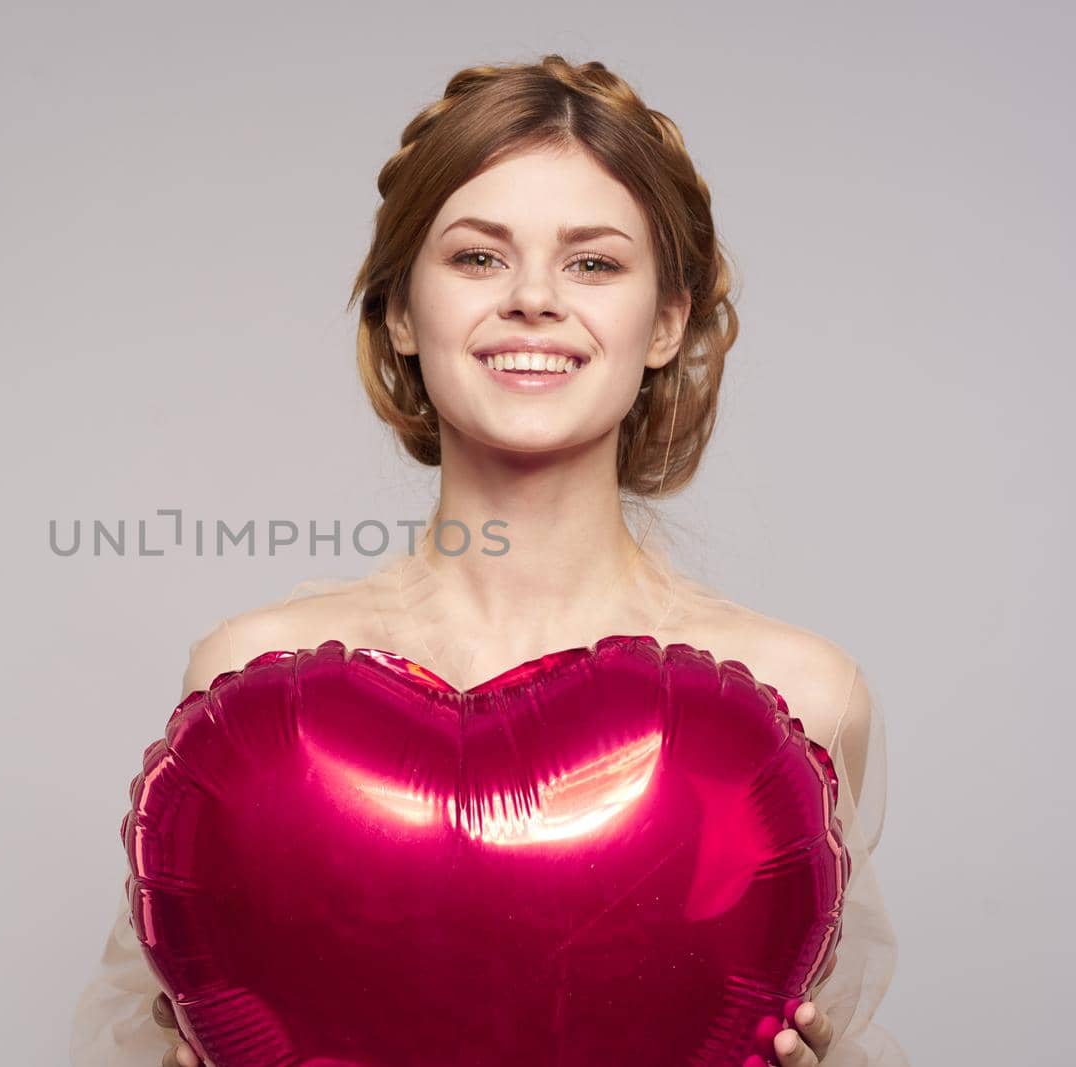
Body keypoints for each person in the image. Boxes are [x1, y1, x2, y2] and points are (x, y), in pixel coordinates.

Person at [69, 54, 907, 1067]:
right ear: (399, 314)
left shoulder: (799, 699)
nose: (533, 301)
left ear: (666, 323)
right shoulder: (254, 687)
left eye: (593, 263)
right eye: (477, 258)